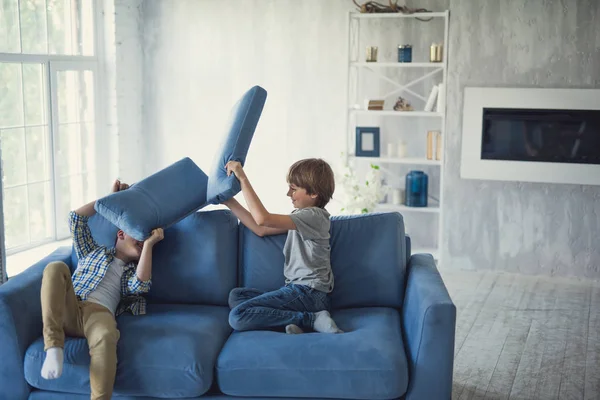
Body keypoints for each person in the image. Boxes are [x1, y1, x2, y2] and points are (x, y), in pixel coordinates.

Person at [40, 179, 164, 400]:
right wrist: (111, 202)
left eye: (144, 239)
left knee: (107, 335)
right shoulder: (91, 251)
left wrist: (150, 245)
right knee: (55, 267)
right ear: (120, 234)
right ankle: (53, 347)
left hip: (99, 314)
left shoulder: (130, 273)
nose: (142, 240)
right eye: (138, 236)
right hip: (70, 304)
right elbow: (76, 219)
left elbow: (141, 284)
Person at [224, 158, 342, 334]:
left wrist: (243, 178)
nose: (289, 194)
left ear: (314, 193)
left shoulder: (315, 217)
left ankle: (311, 319)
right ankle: (297, 322)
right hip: (299, 293)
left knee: (238, 316)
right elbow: (260, 228)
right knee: (237, 296)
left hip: (309, 293)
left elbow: (263, 218)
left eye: (293, 189)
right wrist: (228, 201)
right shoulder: (300, 218)